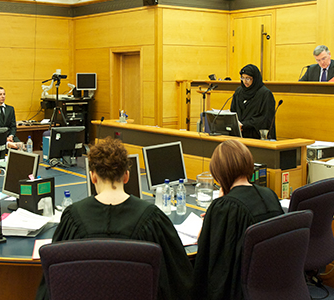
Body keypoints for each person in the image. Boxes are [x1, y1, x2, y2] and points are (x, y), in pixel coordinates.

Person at [35, 137, 193, 300]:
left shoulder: (72, 217)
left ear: (93, 177)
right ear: (126, 176)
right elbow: (179, 280)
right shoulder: (152, 218)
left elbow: (53, 281)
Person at [192, 139, 283, 300]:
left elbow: (206, 249)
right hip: (273, 280)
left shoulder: (225, 207)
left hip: (239, 289)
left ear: (219, 173)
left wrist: (212, 216)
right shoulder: (269, 194)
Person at [230, 64, 276, 139]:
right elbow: (233, 111)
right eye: (243, 78)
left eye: (248, 78)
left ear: (255, 79)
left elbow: (265, 118)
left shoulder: (265, 94)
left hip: (257, 136)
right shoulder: (239, 92)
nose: (245, 81)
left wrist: (244, 125)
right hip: (239, 134)